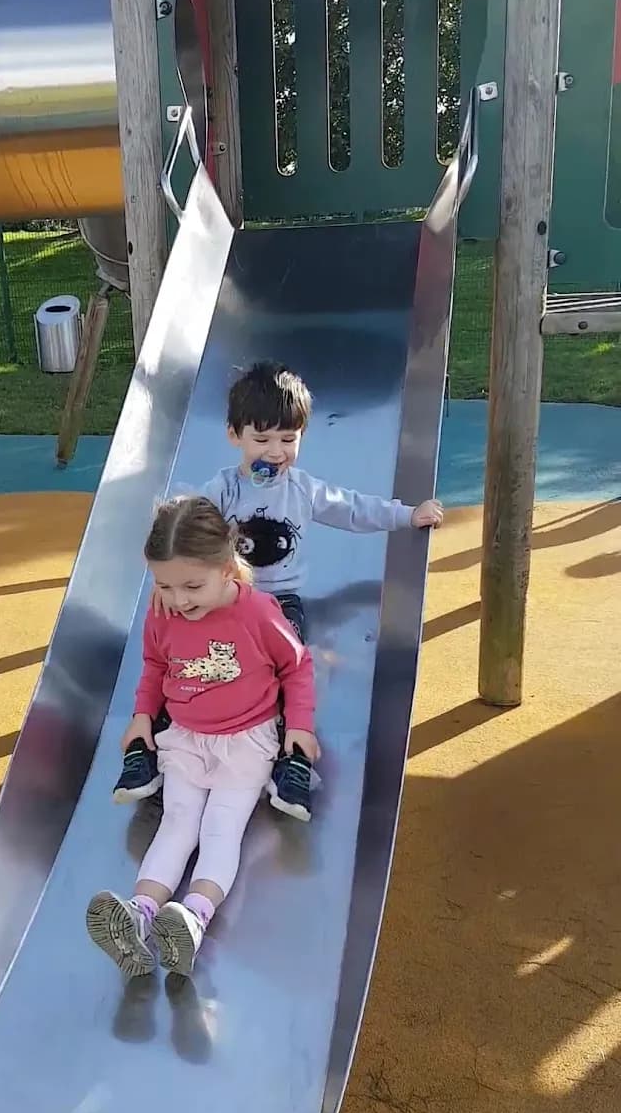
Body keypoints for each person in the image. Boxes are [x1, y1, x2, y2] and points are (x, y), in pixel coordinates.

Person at [113, 362, 443, 818]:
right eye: (262, 439)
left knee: (286, 666)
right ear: (235, 435)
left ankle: (294, 761)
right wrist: (167, 583)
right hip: (222, 599)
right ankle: (148, 750)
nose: (276, 450)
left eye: (288, 440)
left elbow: (352, 509)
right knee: (189, 663)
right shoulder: (223, 491)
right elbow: (179, 530)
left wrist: (407, 515)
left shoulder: (303, 491)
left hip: (277, 601)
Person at [87, 494, 317, 978]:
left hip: (246, 742)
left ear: (228, 567)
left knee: (220, 829)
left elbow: (297, 667)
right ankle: (140, 912)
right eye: (164, 585)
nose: (178, 599)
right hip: (187, 739)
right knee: (176, 822)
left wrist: (299, 724)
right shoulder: (162, 611)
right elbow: (153, 666)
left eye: (192, 585)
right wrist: (143, 715)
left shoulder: (258, 612)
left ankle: (193, 917)